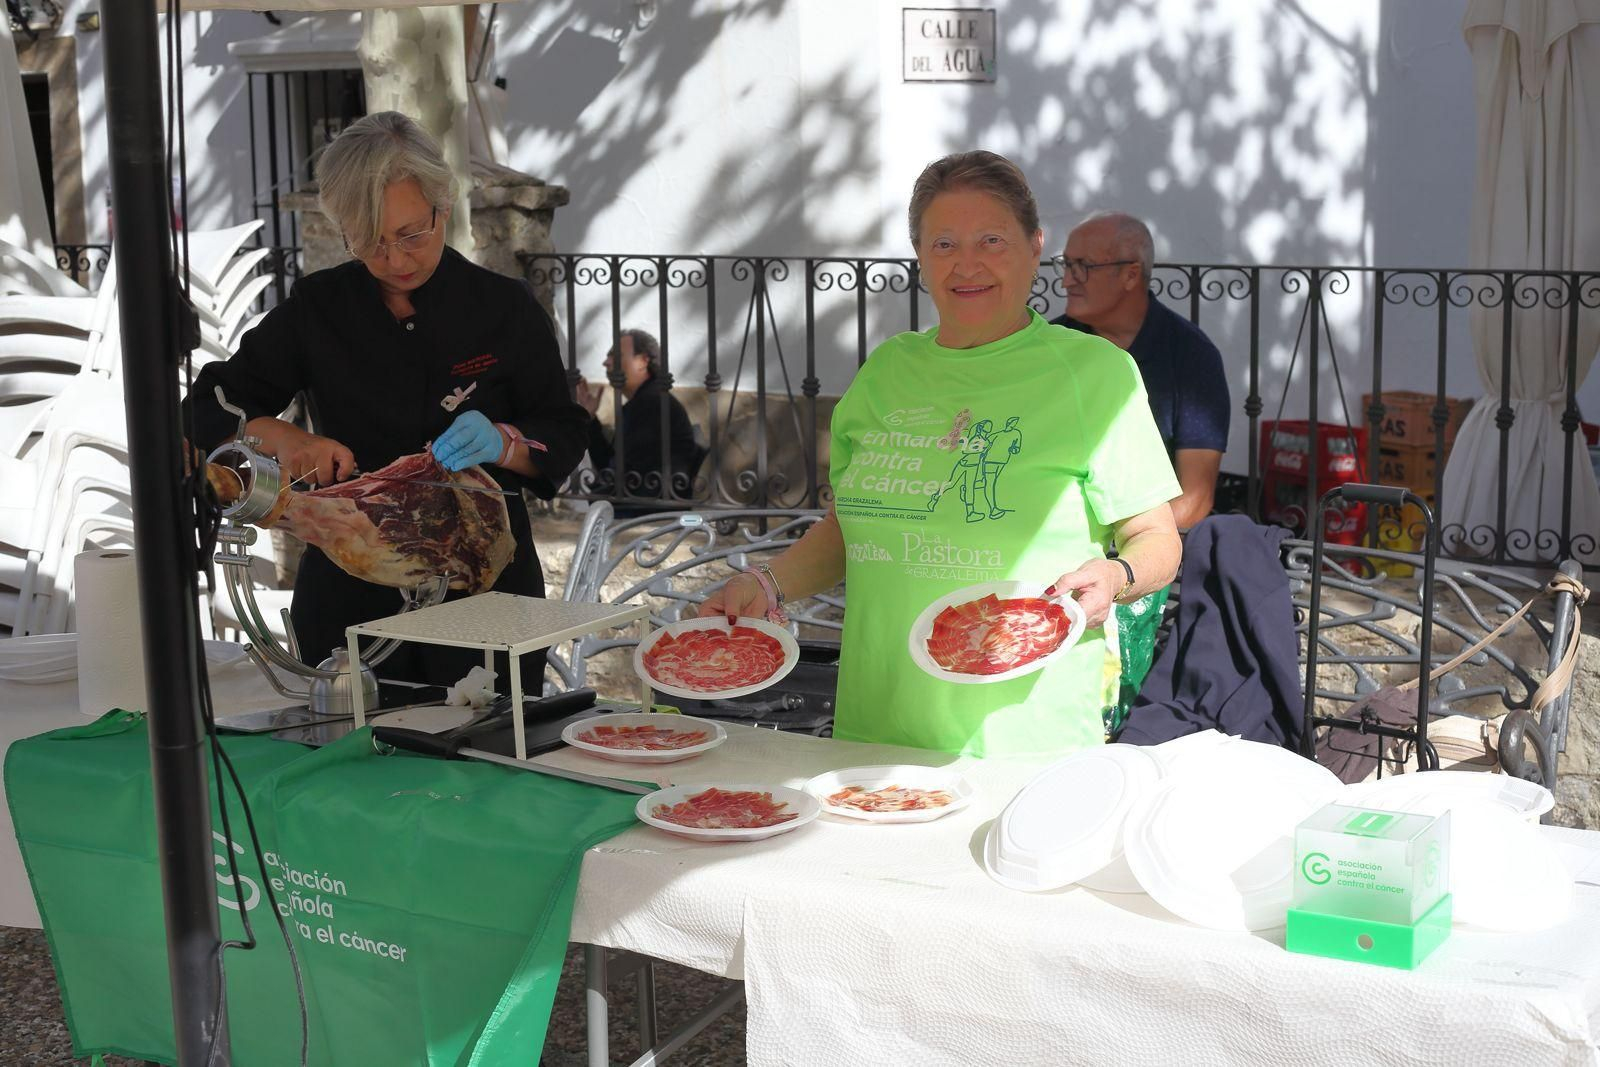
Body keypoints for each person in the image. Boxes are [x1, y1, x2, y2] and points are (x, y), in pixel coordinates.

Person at [701, 151, 1182, 757]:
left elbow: (1158, 539)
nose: (968, 264)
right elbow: (854, 526)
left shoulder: (1095, 373)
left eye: (991, 240)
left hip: (1025, 743)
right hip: (875, 731)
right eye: (944, 244)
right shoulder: (886, 373)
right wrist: (768, 583)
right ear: (921, 259)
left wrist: (1118, 575)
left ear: (1035, 248)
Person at [190, 111, 588, 683]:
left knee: (485, 756)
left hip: (484, 595)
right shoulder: (319, 309)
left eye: (411, 235)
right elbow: (206, 405)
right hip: (349, 602)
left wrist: (502, 443)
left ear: (442, 207)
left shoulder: (504, 309)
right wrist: (278, 435)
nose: (396, 260)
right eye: (370, 243)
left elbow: (565, 432)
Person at [1050, 211, 1230, 529]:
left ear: (1131, 275)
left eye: (1083, 267)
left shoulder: (1191, 355)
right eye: (1066, 264)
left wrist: (1128, 553)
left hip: (1141, 553)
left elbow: (1196, 498)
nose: (1066, 280)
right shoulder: (1048, 349)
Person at [573, 329, 701, 505]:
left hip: (651, 505)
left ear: (642, 361)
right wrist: (589, 419)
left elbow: (624, 475)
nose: (606, 363)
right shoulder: (643, 401)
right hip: (642, 497)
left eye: (615, 355)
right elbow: (612, 467)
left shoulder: (652, 403)